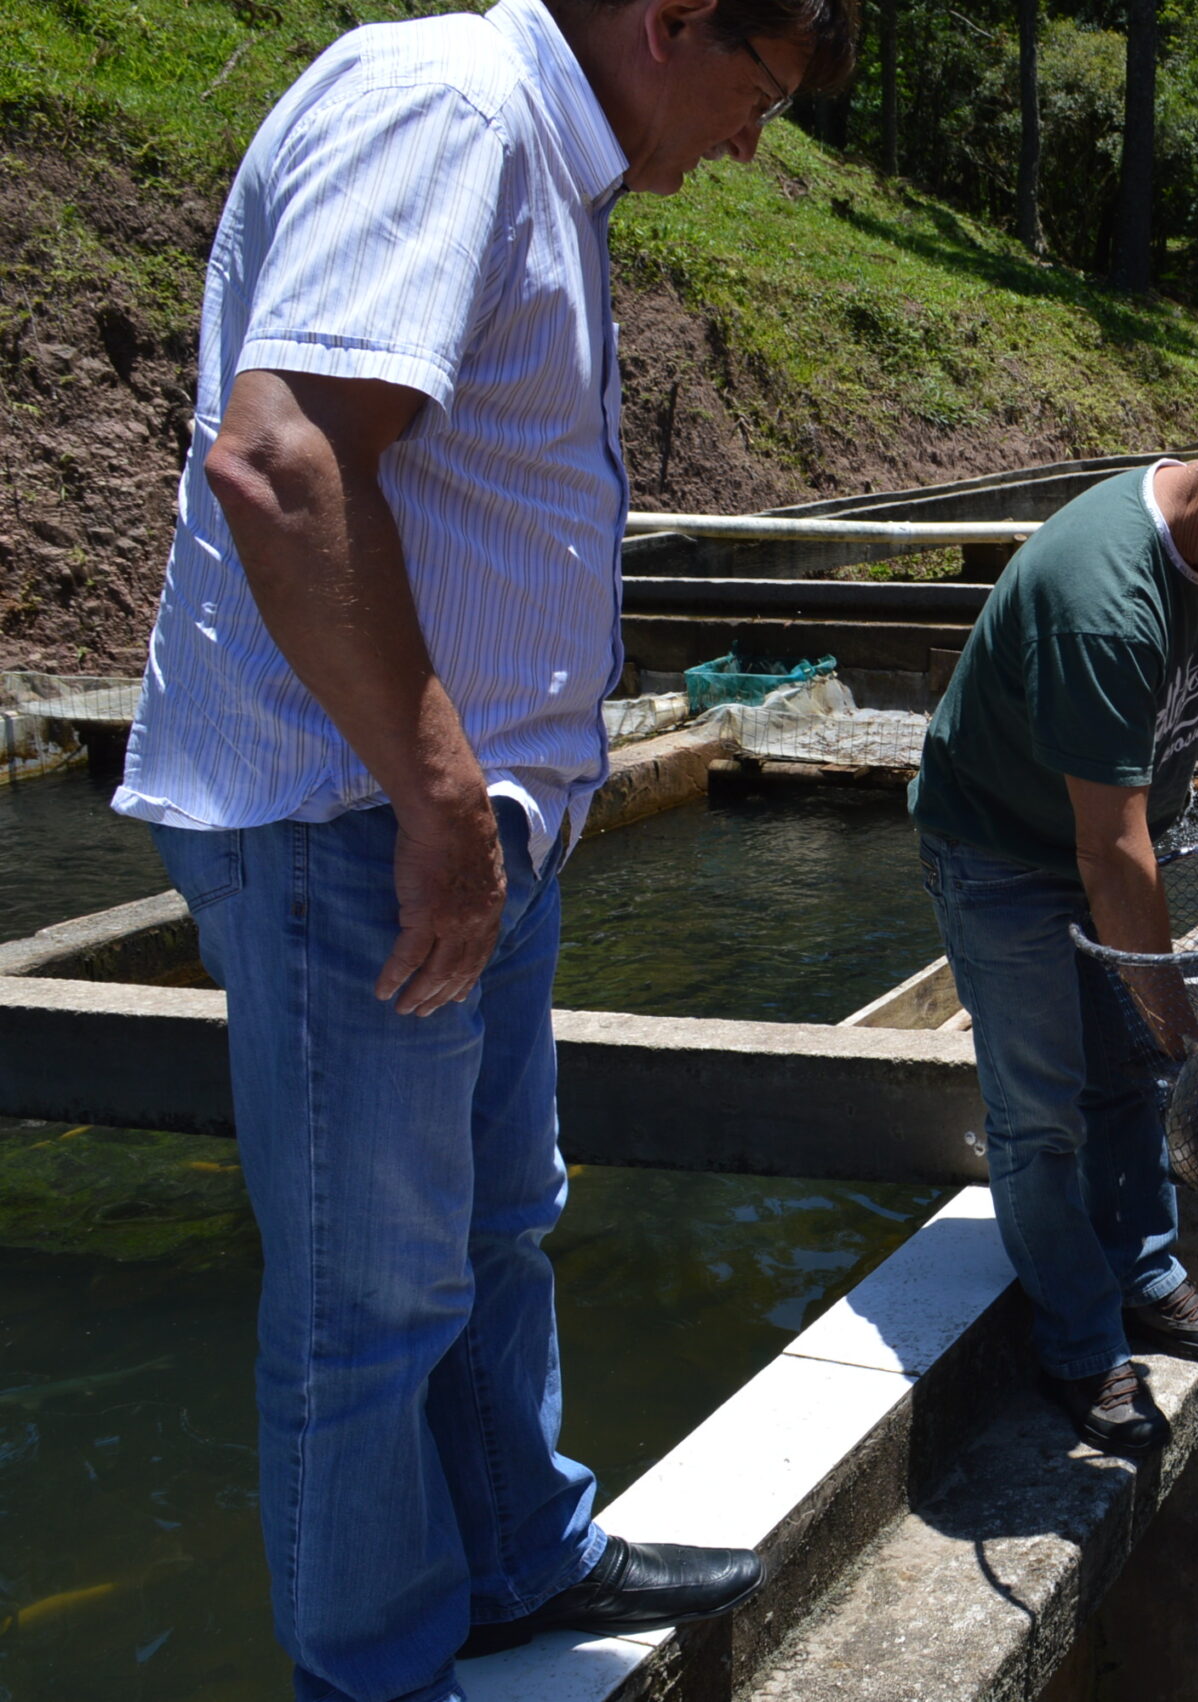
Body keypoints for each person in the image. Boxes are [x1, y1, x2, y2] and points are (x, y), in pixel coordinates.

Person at [111, 0, 853, 1694]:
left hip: (463, 821)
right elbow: (285, 461)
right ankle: (372, 1667)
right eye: (758, 93)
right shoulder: (450, 113)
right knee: (367, 1303)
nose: (753, 142)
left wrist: (487, 811)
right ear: (672, 21)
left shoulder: (538, 149)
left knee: (499, 1219)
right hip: (358, 822)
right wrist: (440, 803)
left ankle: (519, 1552)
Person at [908, 381, 1198, 1454]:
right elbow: (1107, 854)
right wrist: (1189, 1039)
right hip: (1001, 850)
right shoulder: (1102, 596)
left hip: (1103, 833)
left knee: (1123, 1075)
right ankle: (1080, 1344)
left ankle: (1141, 1271)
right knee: (1041, 1111)